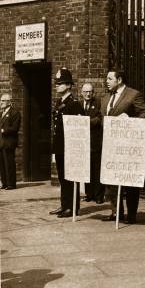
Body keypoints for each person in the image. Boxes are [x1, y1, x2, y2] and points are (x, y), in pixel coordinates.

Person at [101, 70, 145, 224]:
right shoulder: (106, 97)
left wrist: (129, 119)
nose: (106, 81)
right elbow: (101, 118)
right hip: (110, 145)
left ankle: (132, 213)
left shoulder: (133, 95)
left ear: (119, 79)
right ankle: (117, 212)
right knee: (111, 180)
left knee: (129, 182)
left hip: (127, 146)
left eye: (110, 78)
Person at [49, 68, 85, 217]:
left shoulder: (74, 104)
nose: (57, 86)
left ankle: (72, 207)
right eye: (57, 83)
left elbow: (79, 129)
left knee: (70, 177)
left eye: (61, 83)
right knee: (62, 177)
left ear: (69, 85)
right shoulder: (59, 102)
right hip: (60, 147)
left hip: (70, 147)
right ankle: (64, 205)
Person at [81, 83, 104, 204]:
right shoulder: (79, 105)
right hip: (84, 143)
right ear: (81, 92)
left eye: (90, 92)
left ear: (93, 92)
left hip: (96, 141)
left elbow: (100, 118)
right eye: (85, 92)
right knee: (87, 169)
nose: (88, 94)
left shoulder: (98, 103)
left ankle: (99, 195)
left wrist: (86, 122)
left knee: (97, 169)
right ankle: (89, 194)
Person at [0, 94, 21, 190]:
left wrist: (3, 130)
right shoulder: (2, 113)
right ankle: (4, 183)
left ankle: (11, 184)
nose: (1, 102)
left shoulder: (15, 113)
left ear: (9, 102)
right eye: (1, 100)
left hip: (9, 142)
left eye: (3, 101)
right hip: (1, 142)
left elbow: (15, 128)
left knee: (9, 163)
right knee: (2, 164)